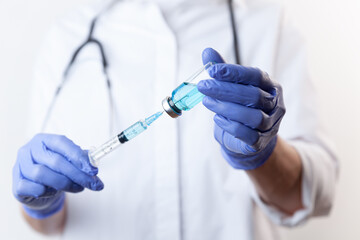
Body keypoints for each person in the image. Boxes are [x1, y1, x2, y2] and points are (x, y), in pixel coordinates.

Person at [12, 0, 338, 239]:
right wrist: (42, 206)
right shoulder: (68, 35)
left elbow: (314, 196)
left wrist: (264, 156)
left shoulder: (267, 26)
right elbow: (49, 223)